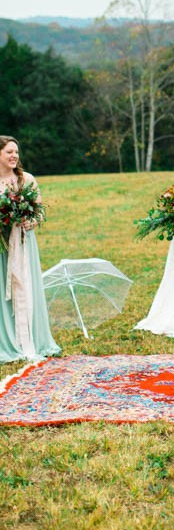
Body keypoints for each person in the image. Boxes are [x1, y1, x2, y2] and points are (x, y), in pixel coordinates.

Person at [0, 135, 60, 363]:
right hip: (2, 245)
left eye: (16, 152)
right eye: (9, 152)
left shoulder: (27, 180)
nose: (14, 156)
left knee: (26, 286)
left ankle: (31, 337)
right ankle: (6, 341)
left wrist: (32, 222)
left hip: (24, 244)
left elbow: (40, 211)